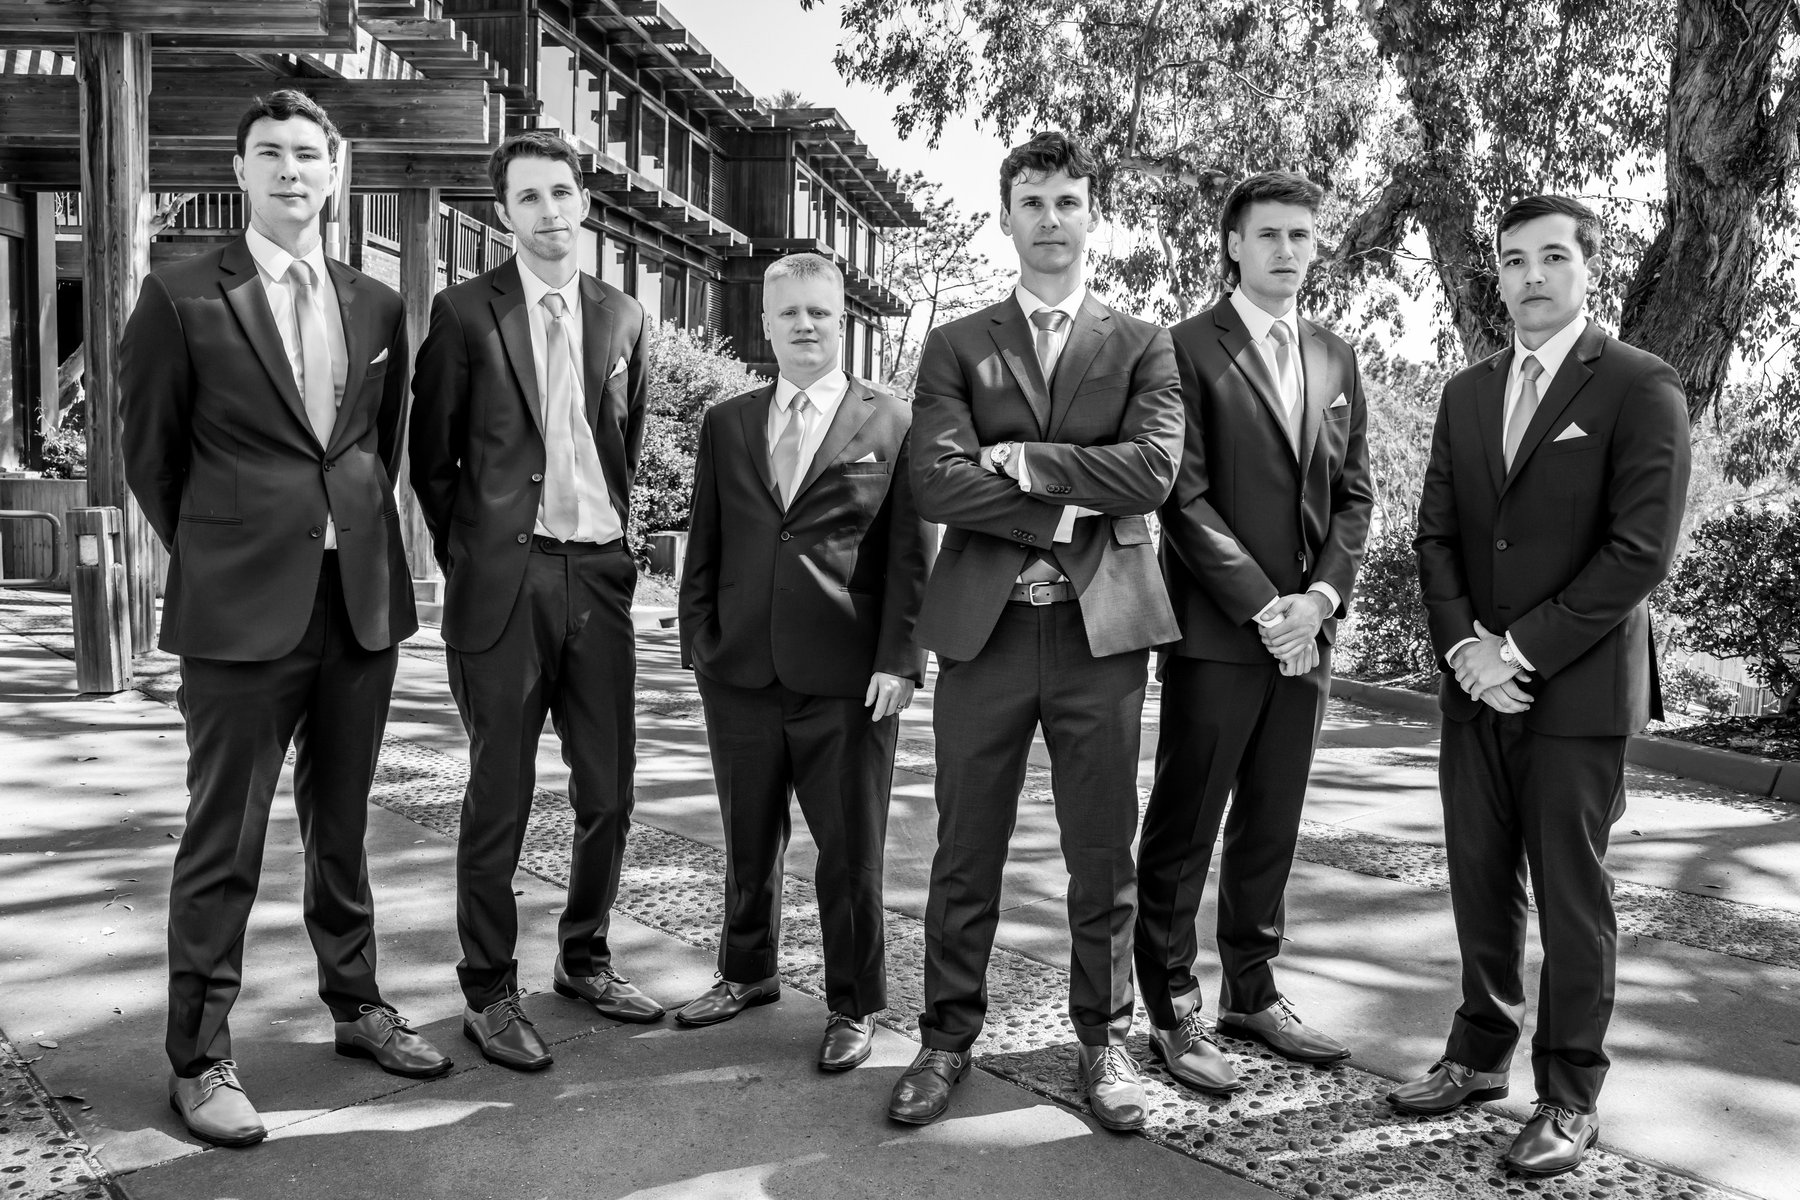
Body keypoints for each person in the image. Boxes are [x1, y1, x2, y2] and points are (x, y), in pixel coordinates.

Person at [122, 90, 447, 1149]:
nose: (292, 170)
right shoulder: (179, 295)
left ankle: (357, 1006)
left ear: (334, 172)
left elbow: (374, 448)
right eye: (270, 153)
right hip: (238, 611)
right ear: (242, 170)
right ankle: (199, 1057)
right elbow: (151, 457)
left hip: (358, 606)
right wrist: (230, 551)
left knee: (343, 826)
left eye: (309, 153)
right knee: (224, 838)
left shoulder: (378, 304)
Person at [887, 131, 1184, 1131]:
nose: (1050, 219)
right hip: (988, 634)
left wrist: (1021, 460)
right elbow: (935, 480)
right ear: (1006, 217)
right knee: (965, 849)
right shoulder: (957, 344)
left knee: (1103, 856)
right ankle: (945, 1039)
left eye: (1067, 201)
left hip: (1105, 635)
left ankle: (1104, 1043)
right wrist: (1063, 508)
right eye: (1033, 202)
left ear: (1091, 214)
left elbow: (1152, 473)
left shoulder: (1143, 343)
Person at [1401, 194, 1690, 1176]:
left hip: (1576, 693)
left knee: (1572, 899)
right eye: (1515, 259)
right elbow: (1436, 537)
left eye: (1552, 257)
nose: (1531, 276)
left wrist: (1516, 653)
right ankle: (1478, 1055)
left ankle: (1569, 1097)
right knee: (1480, 882)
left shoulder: (1640, 385)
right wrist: (1465, 655)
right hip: (1471, 689)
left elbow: (1639, 552)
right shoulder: (1466, 393)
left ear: (1588, 269)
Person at [410, 131, 663, 1072]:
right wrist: (480, 557)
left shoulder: (624, 315)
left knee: (609, 792)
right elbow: (431, 462)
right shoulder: (463, 312)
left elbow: (625, 443)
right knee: (500, 797)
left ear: (583, 202)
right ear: (503, 213)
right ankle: (488, 990)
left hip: (597, 578)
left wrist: (611, 553)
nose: (550, 210)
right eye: (529, 196)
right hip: (505, 587)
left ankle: (584, 958)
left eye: (562, 191)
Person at [1134, 171, 1373, 1092]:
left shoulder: (1336, 356)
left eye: (1301, 235)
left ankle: (1252, 991)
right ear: (1233, 244)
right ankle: (1170, 1006)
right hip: (1219, 635)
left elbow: (1354, 496)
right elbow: (1180, 496)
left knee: (1272, 821)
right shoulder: (1182, 347)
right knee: (1186, 826)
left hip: (1308, 638)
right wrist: (1266, 606)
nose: (1287, 250)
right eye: (1269, 234)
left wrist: (1320, 601)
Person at [675, 252, 932, 1070]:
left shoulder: (893, 421)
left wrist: (901, 661)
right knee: (747, 839)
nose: (805, 325)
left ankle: (854, 1004)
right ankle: (746, 973)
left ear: (841, 318)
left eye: (819, 311)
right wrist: (699, 642)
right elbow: (707, 538)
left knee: (850, 854)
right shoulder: (727, 422)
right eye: (788, 312)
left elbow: (911, 555)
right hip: (739, 672)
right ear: (766, 324)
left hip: (850, 681)